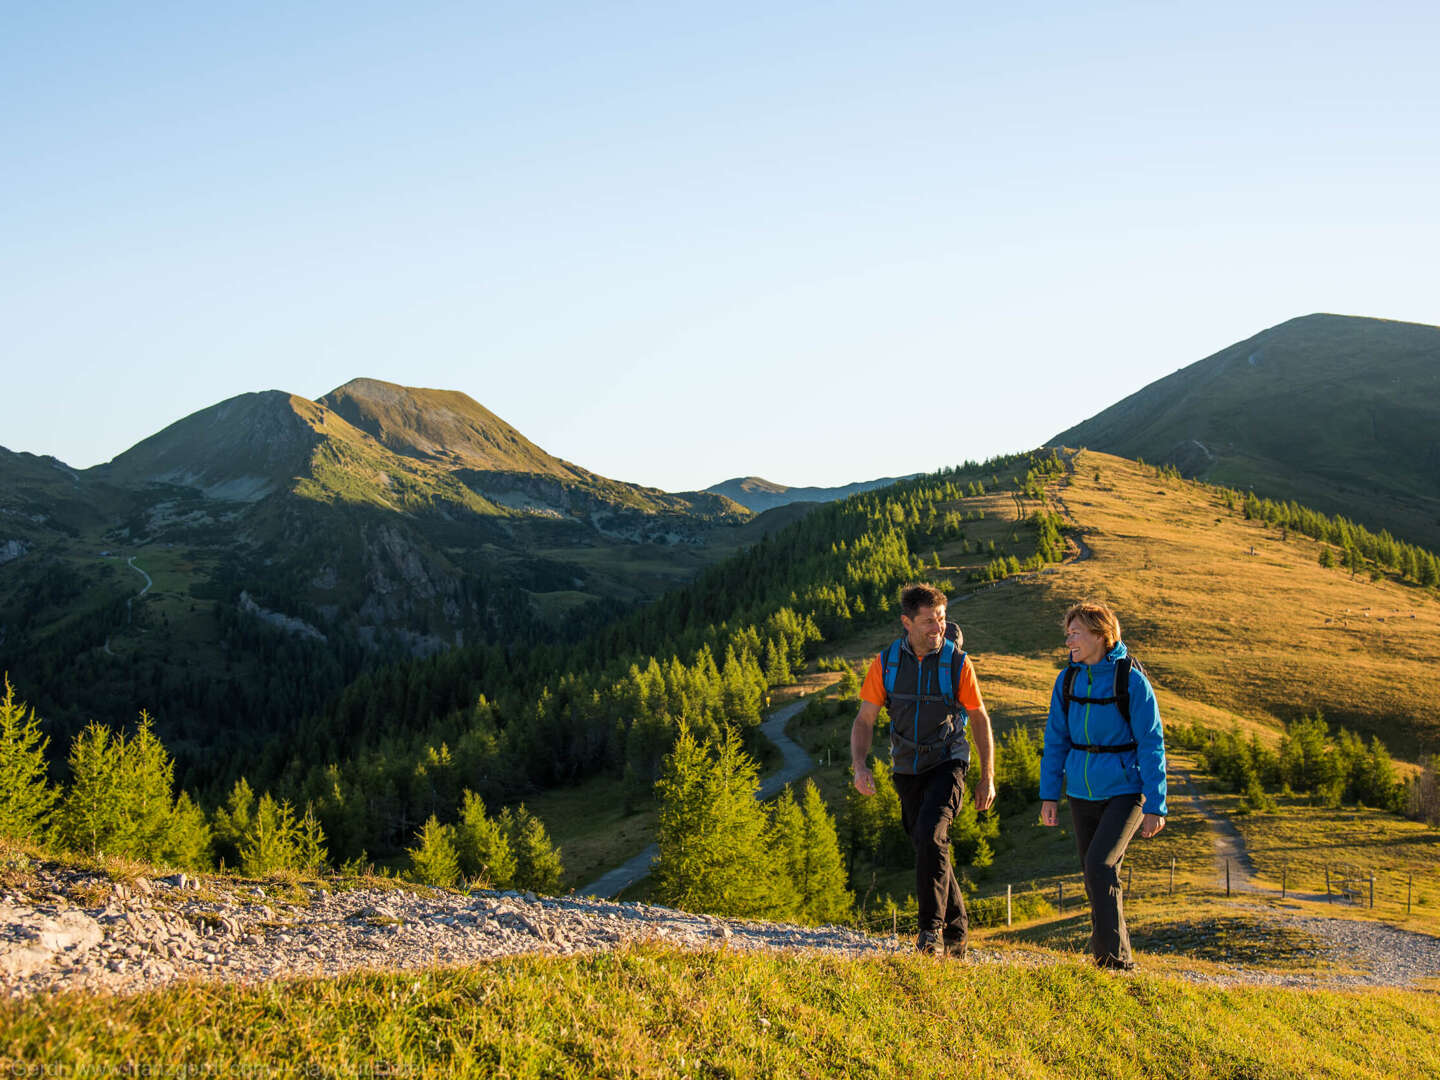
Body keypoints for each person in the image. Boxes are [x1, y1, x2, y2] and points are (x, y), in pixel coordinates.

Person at [851, 582, 996, 957]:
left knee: (932, 837)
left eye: (942, 620)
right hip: (906, 768)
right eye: (929, 621)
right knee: (928, 844)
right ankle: (957, 930)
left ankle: (930, 934)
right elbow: (865, 719)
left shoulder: (957, 663)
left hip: (948, 762)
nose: (938, 628)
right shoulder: (886, 664)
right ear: (907, 622)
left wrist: (986, 776)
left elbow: (979, 719)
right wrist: (859, 765)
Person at [1039, 600, 1167, 971]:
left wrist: (1156, 804)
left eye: (1075, 633)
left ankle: (1113, 964)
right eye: (1068, 635)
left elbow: (1152, 742)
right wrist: (1050, 795)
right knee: (1096, 874)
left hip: (1127, 791)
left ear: (1100, 634)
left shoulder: (1132, 682)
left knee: (1099, 864)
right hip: (1080, 792)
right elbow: (1055, 740)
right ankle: (1112, 958)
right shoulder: (1067, 681)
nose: (1069, 642)